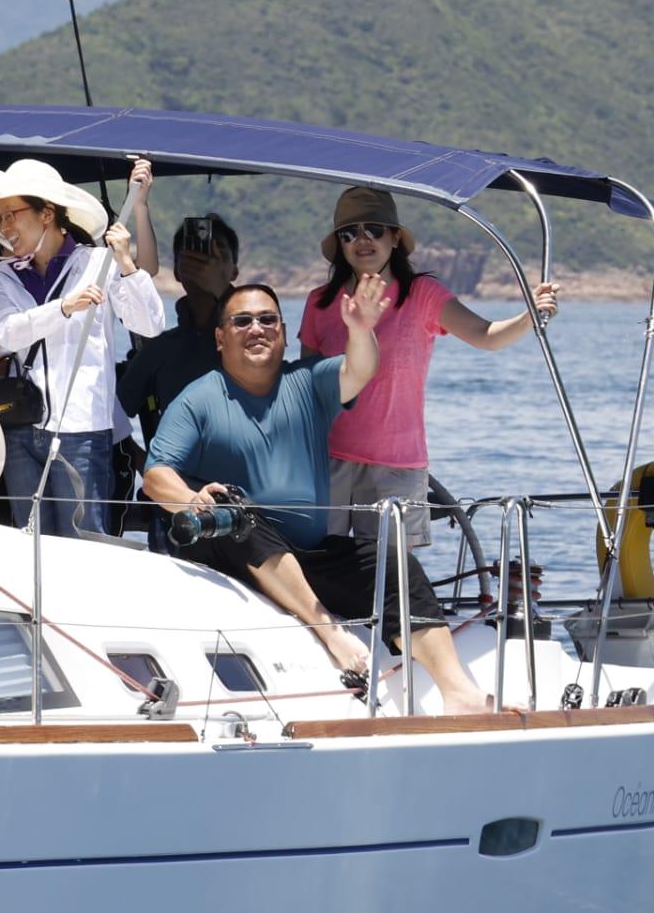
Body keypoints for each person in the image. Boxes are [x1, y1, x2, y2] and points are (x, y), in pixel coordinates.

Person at [142, 282, 488, 713]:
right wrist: (193, 500)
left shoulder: (308, 381)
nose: (257, 329)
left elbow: (360, 370)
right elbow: (155, 477)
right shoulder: (198, 398)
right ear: (220, 337)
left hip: (305, 554)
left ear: (284, 334)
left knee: (392, 563)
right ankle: (330, 633)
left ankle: (458, 691)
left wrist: (360, 329)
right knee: (236, 510)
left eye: (268, 320)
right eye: (242, 321)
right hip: (233, 552)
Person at [299, 187, 560, 550]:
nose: (362, 240)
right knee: (320, 567)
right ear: (340, 243)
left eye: (373, 229)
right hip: (325, 461)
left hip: (397, 465)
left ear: (394, 237)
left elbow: (486, 336)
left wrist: (528, 315)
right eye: (349, 233)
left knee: (391, 575)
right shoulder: (320, 301)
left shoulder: (421, 293)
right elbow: (304, 389)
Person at [0, 157, 164, 536]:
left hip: (82, 429)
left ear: (47, 213)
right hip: (20, 425)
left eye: (11, 215)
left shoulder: (99, 263)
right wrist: (64, 307)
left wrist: (127, 264)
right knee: (30, 539)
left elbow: (150, 324)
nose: (5, 228)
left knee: (83, 540)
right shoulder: (2, 277)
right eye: (0, 219)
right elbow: (8, 333)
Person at [119, 212, 240, 440]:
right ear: (176, 271)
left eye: (218, 256)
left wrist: (221, 291)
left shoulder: (255, 337)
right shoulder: (161, 350)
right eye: (193, 254)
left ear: (234, 271)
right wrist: (140, 457)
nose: (205, 263)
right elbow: (111, 416)